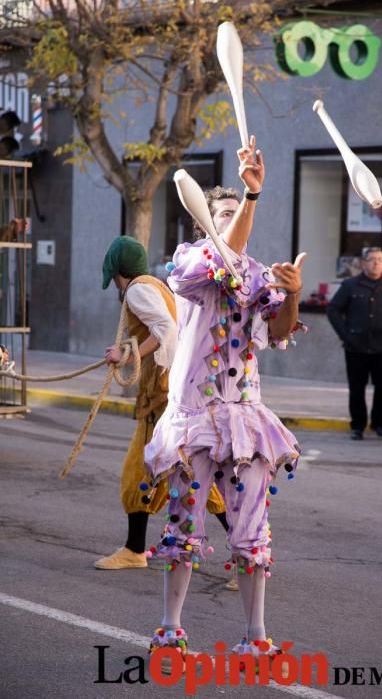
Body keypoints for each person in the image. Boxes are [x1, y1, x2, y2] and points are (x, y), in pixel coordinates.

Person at [144, 136, 305, 665]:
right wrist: (251, 198)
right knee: (183, 525)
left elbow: (278, 332)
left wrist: (295, 291)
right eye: (226, 210)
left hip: (244, 420)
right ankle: (170, 628)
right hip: (193, 417)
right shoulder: (189, 263)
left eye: (239, 208)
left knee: (251, 530)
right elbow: (225, 253)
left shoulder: (257, 275)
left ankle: (256, 633)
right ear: (205, 221)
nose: (235, 214)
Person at [94, 236, 228, 570]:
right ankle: (245, 549)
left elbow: (166, 329)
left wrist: (129, 354)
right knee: (192, 473)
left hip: (162, 395)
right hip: (174, 391)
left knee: (138, 469)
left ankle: (134, 550)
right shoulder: (156, 285)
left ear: (115, 268)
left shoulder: (138, 290)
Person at [327, 247, 382, 440]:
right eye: (372, 259)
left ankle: (378, 423)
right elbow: (333, 310)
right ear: (363, 263)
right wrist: (345, 335)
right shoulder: (350, 285)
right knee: (357, 388)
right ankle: (358, 426)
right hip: (356, 346)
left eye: (380, 259)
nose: (376, 263)